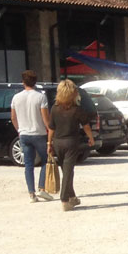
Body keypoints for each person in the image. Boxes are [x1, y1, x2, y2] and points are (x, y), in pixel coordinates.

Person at [47, 79, 95, 211]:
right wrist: (91, 138)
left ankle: (72, 196)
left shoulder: (55, 109)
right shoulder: (76, 109)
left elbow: (51, 127)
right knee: (68, 172)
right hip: (71, 142)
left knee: (66, 170)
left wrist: (49, 143)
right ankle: (64, 199)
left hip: (58, 142)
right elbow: (86, 126)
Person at [11, 70, 54, 202]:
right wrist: (51, 133)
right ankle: (42, 188)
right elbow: (45, 119)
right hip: (39, 133)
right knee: (45, 160)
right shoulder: (40, 97)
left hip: (24, 133)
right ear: (35, 82)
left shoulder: (16, 97)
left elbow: (13, 117)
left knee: (28, 164)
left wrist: (19, 129)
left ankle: (31, 194)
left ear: (23, 82)